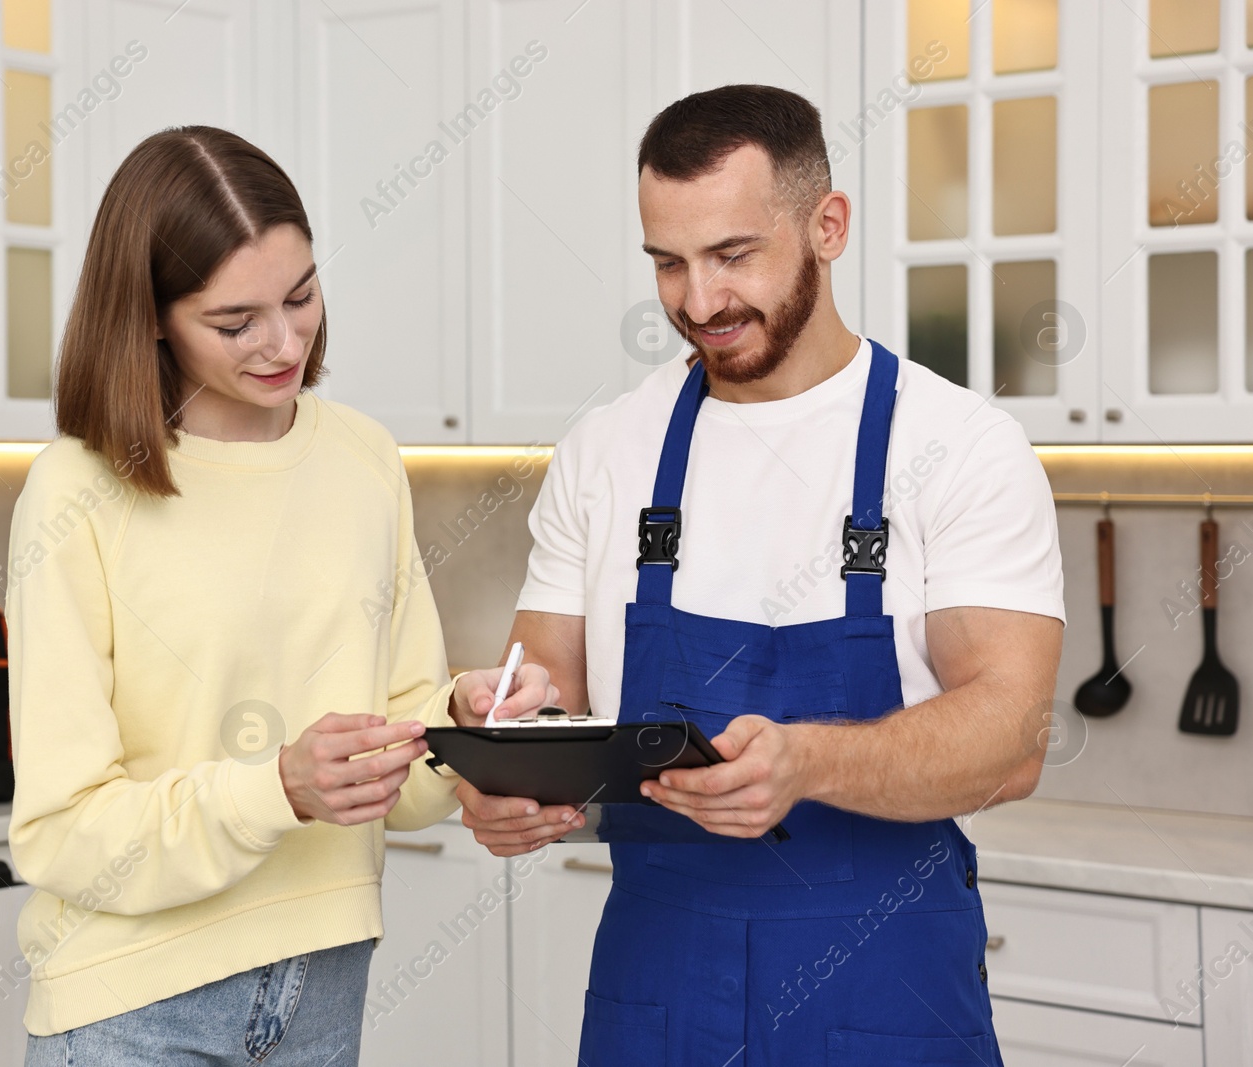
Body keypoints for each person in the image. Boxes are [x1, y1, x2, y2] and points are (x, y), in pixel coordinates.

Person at [456, 85, 1065, 1065]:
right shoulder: (607, 449)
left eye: (733, 255)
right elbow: (549, 692)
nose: (697, 302)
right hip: (655, 985)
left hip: (886, 983)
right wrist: (503, 760)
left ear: (827, 226)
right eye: (668, 263)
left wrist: (805, 764)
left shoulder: (959, 446)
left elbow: (1012, 739)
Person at [6, 126, 555, 1067]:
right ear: (149, 317)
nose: (284, 341)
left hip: (323, 984)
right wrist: (279, 790)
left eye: (301, 297)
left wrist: (457, 722)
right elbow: (60, 832)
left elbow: (402, 778)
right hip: (132, 1006)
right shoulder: (77, 491)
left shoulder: (362, 459)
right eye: (235, 321)